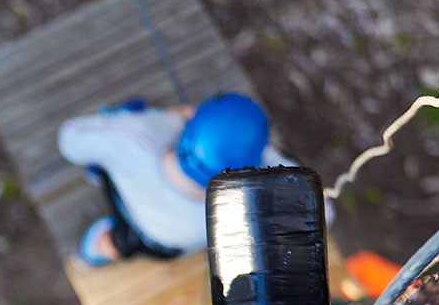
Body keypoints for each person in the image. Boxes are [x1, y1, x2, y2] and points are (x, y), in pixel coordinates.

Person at [58, 92, 299, 265]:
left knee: (116, 132)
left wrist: (168, 116)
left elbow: (69, 138)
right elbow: (318, 207)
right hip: (160, 244)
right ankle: (96, 251)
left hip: (122, 194)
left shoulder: (134, 136)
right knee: (118, 242)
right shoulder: (243, 209)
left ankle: (89, 248)